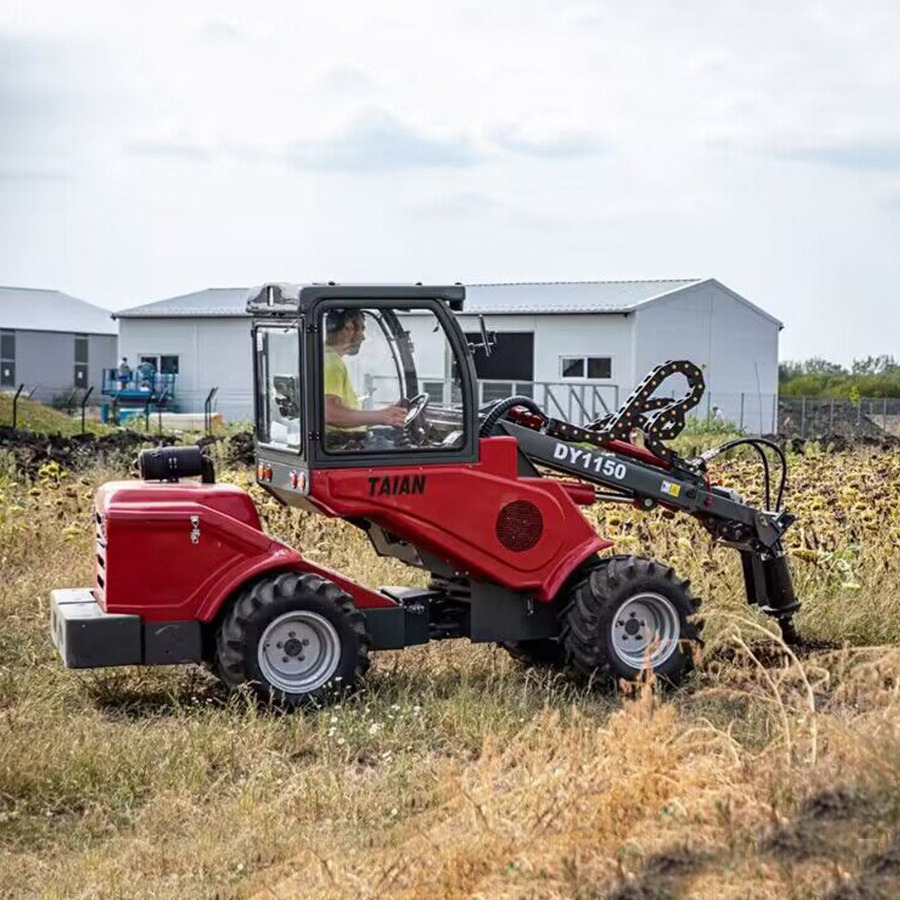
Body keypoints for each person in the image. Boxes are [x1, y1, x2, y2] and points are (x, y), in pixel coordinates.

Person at [323, 309, 406, 433]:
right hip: (341, 445)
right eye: (361, 329)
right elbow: (330, 413)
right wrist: (381, 416)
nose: (363, 337)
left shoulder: (324, 355)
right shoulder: (332, 363)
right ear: (348, 328)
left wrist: (382, 414)